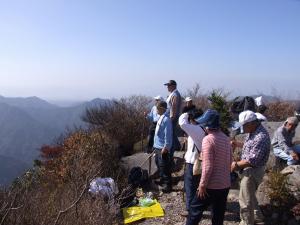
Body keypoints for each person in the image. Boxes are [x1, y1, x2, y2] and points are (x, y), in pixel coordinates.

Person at [186, 109, 232, 225]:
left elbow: (207, 166)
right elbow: (229, 160)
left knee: (195, 209)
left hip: (211, 185)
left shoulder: (208, 140)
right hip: (225, 184)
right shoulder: (226, 139)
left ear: (207, 125)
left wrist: (202, 185)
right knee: (218, 214)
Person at [231, 110, 271, 225]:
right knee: (250, 196)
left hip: (252, 171)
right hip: (249, 168)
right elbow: (251, 148)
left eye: (244, 125)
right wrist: (238, 144)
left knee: (245, 200)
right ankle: (257, 217)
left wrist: (235, 165)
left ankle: (246, 222)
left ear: (252, 123)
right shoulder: (253, 132)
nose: (243, 128)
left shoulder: (260, 136)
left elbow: (252, 160)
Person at [178, 109, 206, 216]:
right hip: (198, 160)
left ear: (193, 119)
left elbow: (182, 123)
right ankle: (198, 206)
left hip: (193, 162)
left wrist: (186, 113)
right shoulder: (203, 128)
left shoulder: (197, 129)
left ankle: (190, 209)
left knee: (190, 186)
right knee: (196, 185)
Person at [153, 101, 173, 193]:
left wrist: (166, 146)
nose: (156, 110)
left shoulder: (166, 119)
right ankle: (162, 180)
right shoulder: (161, 117)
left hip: (162, 147)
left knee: (164, 166)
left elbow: (168, 134)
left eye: (157, 108)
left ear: (161, 109)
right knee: (158, 164)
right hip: (157, 146)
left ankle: (167, 185)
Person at [164, 80, 182, 153]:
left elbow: (174, 106)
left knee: (171, 131)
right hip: (171, 116)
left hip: (172, 116)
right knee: (172, 131)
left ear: (173, 86)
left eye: (169, 85)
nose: (167, 87)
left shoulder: (175, 94)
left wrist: (172, 117)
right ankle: (177, 146)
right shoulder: (173, 94)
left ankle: (176, 146)